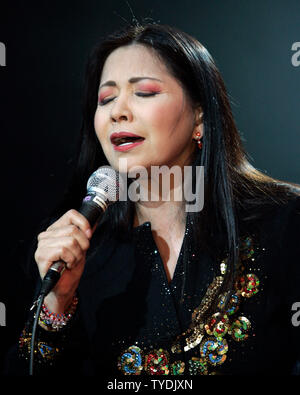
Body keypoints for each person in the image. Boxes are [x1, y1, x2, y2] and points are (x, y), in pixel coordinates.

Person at [5, 22, 300, 376]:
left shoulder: (282, 222)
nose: (118, 112)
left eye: (143, 92)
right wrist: (57, 303)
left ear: (200, 116)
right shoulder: (77, 252)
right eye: (106, 99)